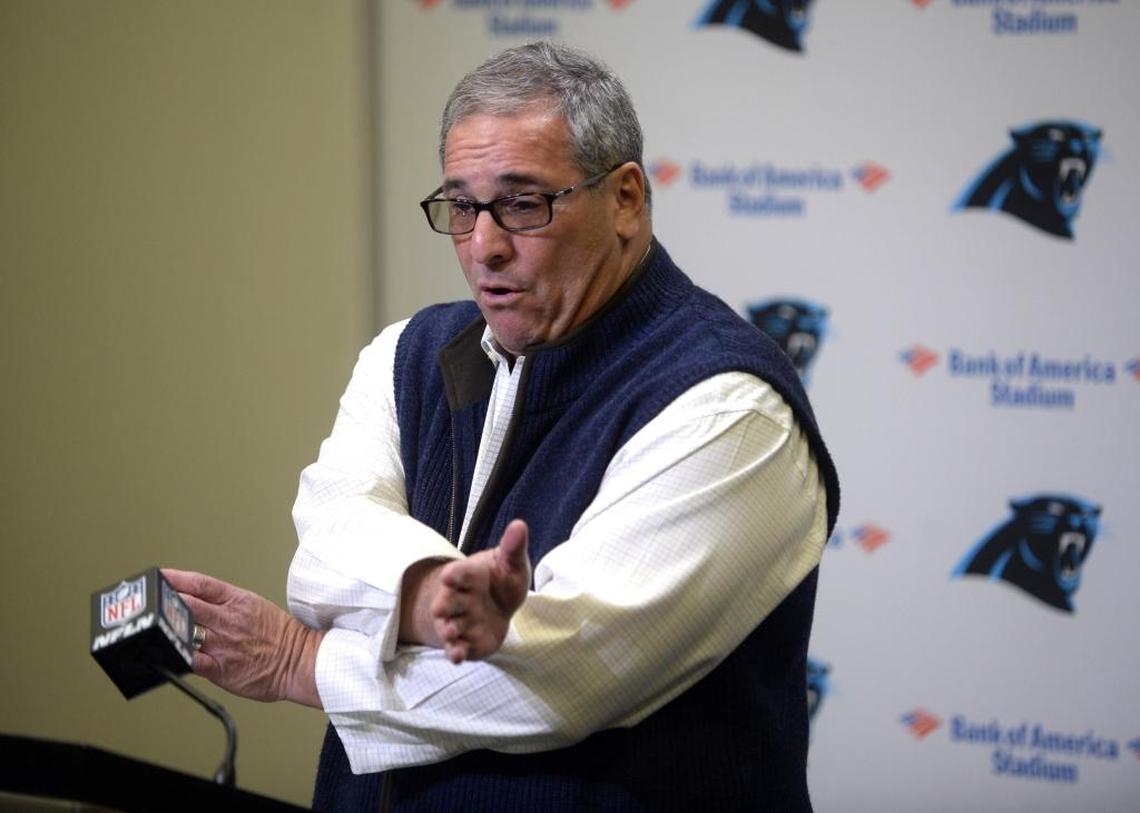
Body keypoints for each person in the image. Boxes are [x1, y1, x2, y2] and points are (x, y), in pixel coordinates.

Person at [165, 42, 839, 812]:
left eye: (523, 204)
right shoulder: (408, 354)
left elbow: (558, 678)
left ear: (626, 199)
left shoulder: (729, 406)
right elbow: (324, 550)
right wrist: (426, 594)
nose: (484, 245)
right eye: (461, 206)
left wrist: (301, 661)